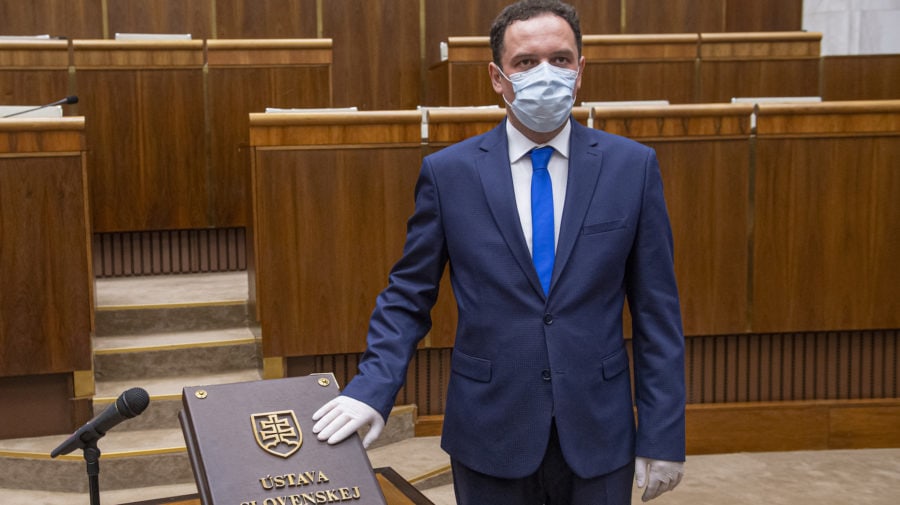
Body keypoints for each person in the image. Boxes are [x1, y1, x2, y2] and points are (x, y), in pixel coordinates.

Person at [311, 1, 686, 503]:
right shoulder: (450, 173)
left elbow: (658, 312)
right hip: (489, 429)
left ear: (579, 72)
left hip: (599, 430)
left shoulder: (632, 167)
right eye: (526, 62)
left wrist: (662, 433)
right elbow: (408, 295)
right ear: (497, 77)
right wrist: (371, 387)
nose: (545, 74)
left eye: (560, 59)